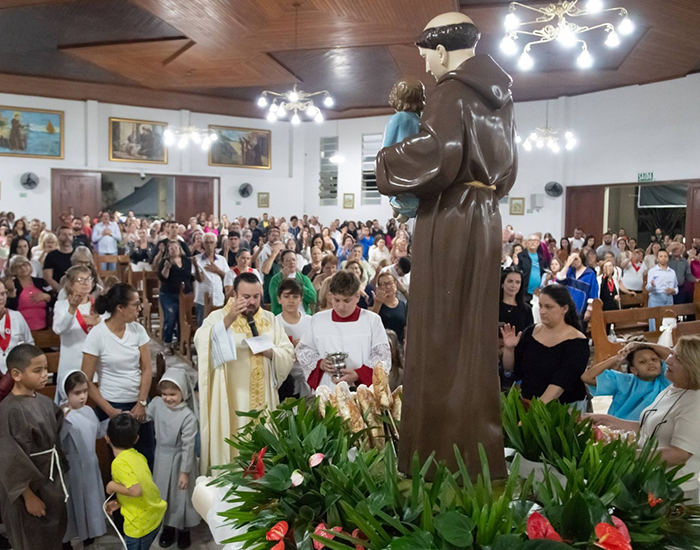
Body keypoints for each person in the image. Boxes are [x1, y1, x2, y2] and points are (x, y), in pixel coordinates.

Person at [194, 272, 294, 473]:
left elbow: (287, 352)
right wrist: (229, 319)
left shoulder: (270, 319)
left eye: (256, 296)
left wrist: (271, 353)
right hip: (233, 399)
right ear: (234, 295)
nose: (252, 302)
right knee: (234, 437)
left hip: (263, 398)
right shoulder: (218, 317)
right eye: (246, 297)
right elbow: (202, 341)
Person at [588, 336, 700, 504]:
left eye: (676, 358)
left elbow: (679, 454)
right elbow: (647, 428)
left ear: (692, 365)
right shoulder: (673, 388)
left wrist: (624, 455)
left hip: (674, 490)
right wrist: (605, 419)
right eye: (672, 354)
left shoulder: (695, 402)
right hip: (651, 481)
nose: (668, 360)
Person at [0, 344, 67, 550]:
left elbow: (55, 437)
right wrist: (28, 495)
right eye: (37, 370)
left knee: (52, 537)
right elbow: (9, 457)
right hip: (26, 489)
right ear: (16, 374)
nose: (45, 374)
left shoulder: (45, 402)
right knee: (30, 539)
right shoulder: (9, 410)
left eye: (46, 368)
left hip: (50, 479)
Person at [82, 284, 155, 468]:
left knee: (146, 458)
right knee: (120, 463)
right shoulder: (97, 335)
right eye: (135, 304)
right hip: (111, 403)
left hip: (138, 403)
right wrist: (110, 411)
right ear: (120, 308)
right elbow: (86, 380)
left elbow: (147, 368)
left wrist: (141, 402)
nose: (140, 308)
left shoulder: (138, 330)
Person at [297, 271, 391, 391]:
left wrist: (358, 374)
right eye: (336, 300)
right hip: (328, 386)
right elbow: (303, 350)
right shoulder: (318, 320)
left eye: (346, 301)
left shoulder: (372, 321)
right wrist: (320, 363)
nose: (341, 306)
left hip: (361, 391)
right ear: (330, 295)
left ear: (357, 296)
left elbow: (382, 357)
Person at [501, 284, 589, 410]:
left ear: (564, 308)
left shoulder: (577, 342)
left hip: (564, 409)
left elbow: (560, 383)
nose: (542, 311)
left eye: (548, 307)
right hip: (529, 403)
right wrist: (509, 349)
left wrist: (535, 412)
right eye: (541, 306)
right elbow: (511, 369)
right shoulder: (530, 332)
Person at [147, 369, 200, 549]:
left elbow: (188, 446)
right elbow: (146, 415)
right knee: (164, 494)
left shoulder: (187, 416)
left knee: (181, 495)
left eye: (172, 394)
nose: (168, 398)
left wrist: (185, 472)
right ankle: (167, 528)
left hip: (180, 460)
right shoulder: (157, 404)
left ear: (183, 392)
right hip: (162, 457)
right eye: (164, 394)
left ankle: (184, 530)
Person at [59, 371, 107, 550]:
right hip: (72, 468)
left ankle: (89, 537)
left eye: (85, 391)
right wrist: (61, 421)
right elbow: (57, 440)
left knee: (91, 500)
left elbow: (98, 432)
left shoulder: (88, 410)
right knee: (74, 504)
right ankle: (68, 541)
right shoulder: (62, 415)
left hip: (90, 465)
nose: (82, 397)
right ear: (66, 393)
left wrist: (114, 420)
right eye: (77, 393)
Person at [104, 414, 167, 550]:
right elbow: (141, 487)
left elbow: (136, 490)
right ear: (136, 439)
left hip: (139, 526)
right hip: (153, 517)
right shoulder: (138, 457)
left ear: (107, 438)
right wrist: (120, 502)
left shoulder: (119, 463)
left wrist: (111, 486)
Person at [582, 343, 671, 421]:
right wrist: (616, 359)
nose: (650, 363)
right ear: (633, 370)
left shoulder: (665, 380)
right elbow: (587, 377)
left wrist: (637, 344)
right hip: (619, 430)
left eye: (654, 359)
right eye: (643, 362)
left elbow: (670, 353)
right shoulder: (624, 381)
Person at [53, 266, 102, 404]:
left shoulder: (98, 306)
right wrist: (72, 309)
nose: (86, 283)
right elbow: (59, 329)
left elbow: (109, 332)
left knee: (95, 402)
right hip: (72, 361)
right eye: (80, 280)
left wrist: (98, 323)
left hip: (95, 362)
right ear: (71, 283)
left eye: (89, 279)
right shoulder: (62, 305)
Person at [383, 76, 425, 222]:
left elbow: (386, 147)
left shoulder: (397, 118)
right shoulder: (421, 121)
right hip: (415, 166)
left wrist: (381, 163)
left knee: (398, 189)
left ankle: (400, 207)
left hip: (400, 163)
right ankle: (406, 209)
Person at [276, 279, 312, 398]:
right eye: (286, 296)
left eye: (295, 297)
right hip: (285, 379)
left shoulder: (310, 321)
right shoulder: (275, 323)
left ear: (301, 299)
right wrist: (290, 346)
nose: (291, 300)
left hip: (308, 376)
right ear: (279, 299)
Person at [158, 240, 196, 355]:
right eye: (171, 248)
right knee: (171, 317)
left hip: (185, 295)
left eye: (175, 247)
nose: (173, 250)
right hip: (169, 294)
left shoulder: (187, 261)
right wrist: (167, 268)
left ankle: (181, 341)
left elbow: (192, 278)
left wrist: (194, 293)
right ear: (168, 251)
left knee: (183, 318)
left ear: (180, 249)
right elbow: (163, 277)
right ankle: (167, 344)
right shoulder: (165, 261)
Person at [6, 255, 53, 330]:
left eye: (25, 264)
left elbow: (54, 300)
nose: (23, 268)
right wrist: (11, 292)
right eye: (18, 267)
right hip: (20, 329)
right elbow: (9, 308)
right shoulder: (12, 285)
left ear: (30, 266)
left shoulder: (41, 282)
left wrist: (47, 297)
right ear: (13, 271)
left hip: (44, 329)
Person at [193, 233, 228, 326]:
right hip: (202, 299)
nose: (209, 245)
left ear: (215, 244)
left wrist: (217, 270)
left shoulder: (222, 260)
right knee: (203, 326)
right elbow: (199, 279)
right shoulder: (197, 259)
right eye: (207, 243)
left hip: (218, 298)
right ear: (203, 244)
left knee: (219, 326)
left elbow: (227, 278)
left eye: (211, 242)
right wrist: (196, 267)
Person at [268, 250, 316, 316]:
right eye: (288, 260)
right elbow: (276, 300)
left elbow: (313, 298)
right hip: (282, 315)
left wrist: (299, 285)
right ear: (282, 263)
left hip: (303, 314)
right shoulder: (275, 280)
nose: (292, 262)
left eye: (294, 260)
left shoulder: (304, 278)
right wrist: (284, 281)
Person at [557, 250, 599, 325]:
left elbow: (593, 293)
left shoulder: (590, 274)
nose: (574, 262)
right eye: (572, 260)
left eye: (576, 259)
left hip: (581, 312)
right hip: (567, 312)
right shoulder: (569, 271)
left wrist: (589, 310)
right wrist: (567, 265)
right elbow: (559, 280)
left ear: (581, 258)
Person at [371, 271, 408, 343]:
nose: (388, 287)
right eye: (384, 284)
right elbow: (371, 322)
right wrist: (378, 303)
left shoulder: (403, 305)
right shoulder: (375, 302)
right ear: (379, 287)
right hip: (380, 342)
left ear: (395, 284)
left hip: (398, 345)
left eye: (390, 283)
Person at [499, 267, 533, 334]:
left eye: (517, 282)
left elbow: (529, 335)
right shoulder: (493, 306)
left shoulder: (526, 310)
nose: (513, 285)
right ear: (502, 283)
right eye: (510, 281)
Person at [518, 234, 549, 303]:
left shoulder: (541, 258)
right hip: (524, 293)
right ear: (527, 243)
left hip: (538, 294)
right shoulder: (521, 256)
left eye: (535, 240)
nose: (532, 242)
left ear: (538, 243)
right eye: (530, 240)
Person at [43, 226, 74, 292]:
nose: (67, 237)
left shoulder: (78, 253)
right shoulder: (51, 255)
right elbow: (48, 278)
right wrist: (62, 291)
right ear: (58, 236)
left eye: (70, 235)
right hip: (58, 291)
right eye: (64, 235)